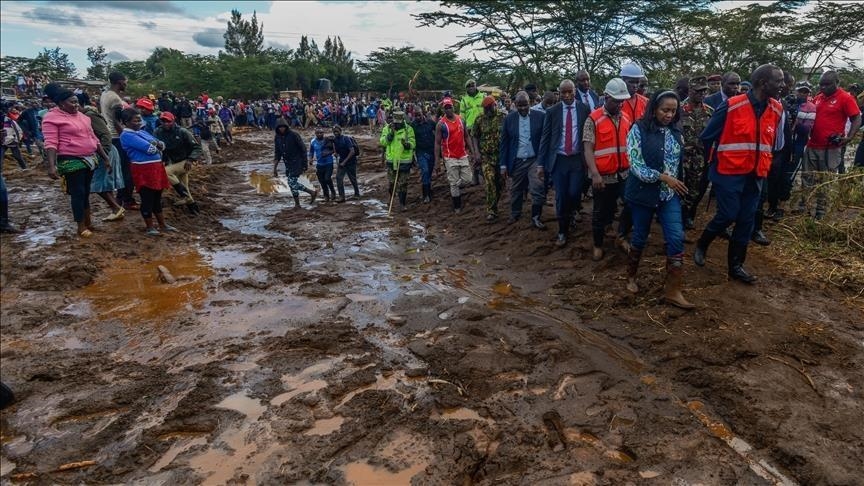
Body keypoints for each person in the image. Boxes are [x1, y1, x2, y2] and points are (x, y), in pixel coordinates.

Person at [695, 64, 786, 284]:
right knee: (728, 215)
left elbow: (771, 141)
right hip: (728, 173)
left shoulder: (776, 109)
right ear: (763, 83)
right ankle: (703, 243)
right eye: (779, 81)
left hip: (756, 175)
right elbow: (707, 137)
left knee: (746, 220)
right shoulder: (732, 106)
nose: (782, 85)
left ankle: (735, 266)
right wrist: (713, 163)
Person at [623, 90, 694, 308]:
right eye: (665, 110)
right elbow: (636, 165)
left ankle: (673, 290)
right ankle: (631, 276)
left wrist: (676, 182)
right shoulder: (638, 129)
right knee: (640, 236)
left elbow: (678, 163)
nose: (669, 115)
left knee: (676, 237)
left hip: (668, 195)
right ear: (654, 109)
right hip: (643, 194)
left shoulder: (676, 132)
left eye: (673, 111)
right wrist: (663, 177)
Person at [42, 83, 109, 238]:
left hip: (89, 158)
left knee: (85, 192)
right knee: (78, 192)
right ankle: (80, 226)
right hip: (70, 159)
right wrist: (51, 166)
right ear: (61, 103)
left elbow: (94, 138)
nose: (76, 105)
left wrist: (105, 158)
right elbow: (51, 142)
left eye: (77, 102)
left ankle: (88, 222)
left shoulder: (83, 117)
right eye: (72, 102)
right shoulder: (51, 118)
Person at [799, 70, 861, 219]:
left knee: (825, 180)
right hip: (812, 145)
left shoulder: (845, 98)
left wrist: (849, 137)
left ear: (837, 83)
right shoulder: (818, 97)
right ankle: (804, 208)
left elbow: (856, 118)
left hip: (830, 149)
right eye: (821, 84)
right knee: (807, 178)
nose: (823, 87)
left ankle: (821, 212)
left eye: (827, 84)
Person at [583, 78, 633, 261]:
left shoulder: (626, 118)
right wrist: (595, 174)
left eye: (622, 101)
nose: (619, 105)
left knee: (631, 205)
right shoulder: (593, 119)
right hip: (603, 176)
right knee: (600, 212)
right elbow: (588, 149)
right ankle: (598, 244)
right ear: (606, 97)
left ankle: (621, 236)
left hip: (624, 174)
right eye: (616, 101)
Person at [537, 79, 590, 247]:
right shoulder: (552, 111)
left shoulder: (584, 109)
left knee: (574, 193)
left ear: (574, 91)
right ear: (558, 93)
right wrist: (540, 164)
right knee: (561, 196)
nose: (567, 96)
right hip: (559, 160)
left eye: (570, 92)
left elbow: (588, 135)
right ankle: (562, 231)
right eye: (563, 92)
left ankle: (572, 211)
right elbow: (545, 138)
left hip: (577, 160)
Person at [119, 108, 176, 236]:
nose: (139, 122)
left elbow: (161, 145)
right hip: (143, 169)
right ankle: (150, 227)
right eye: (136, 120)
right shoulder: (126, 135)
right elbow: (150, 149)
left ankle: (162, 224)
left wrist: (156, 144)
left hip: (155, 167)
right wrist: (156, 144)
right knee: (147, 197)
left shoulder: (141, 132)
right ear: (126, 122)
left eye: (140, 120)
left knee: (157, 196)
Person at [500, 91, 546, 226]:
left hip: (534, 159)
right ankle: (515, 213)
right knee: (516, 189)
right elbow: (504, 143)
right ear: (515, 105)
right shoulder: (509, 119)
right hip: (518, 160)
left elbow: (545, 140)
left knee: (537, 187)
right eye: (519, 105)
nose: (523, 108)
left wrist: (543, 160)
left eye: (525, 105)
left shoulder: (540, 116)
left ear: (530, 103)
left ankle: (536, 216)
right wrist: (503, 165)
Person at [78, 92, 125, 222]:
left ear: (81, 104)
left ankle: (116, 208)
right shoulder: (85, 115)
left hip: (104, 151)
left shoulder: (90, 116)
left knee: (96, 183)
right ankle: (116, 209)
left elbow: (105, 135)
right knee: (104, 183)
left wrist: (104, 154)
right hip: (102, 151)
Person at [679, 76, 714, 230]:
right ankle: (675, 217)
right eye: (698, 91)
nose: (702, 94)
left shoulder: (709, 112)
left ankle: (688, 215)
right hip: (680, 158)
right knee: (678, 188)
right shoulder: (679, 110)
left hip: (699, 159)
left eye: (704, 91)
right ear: (690, 90)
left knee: (694, 190)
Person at [101, 71, 138, 210]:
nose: (126, 84)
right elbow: (116, 121)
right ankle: (127, 200)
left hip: (110, 136)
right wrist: (126, 137)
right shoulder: (115, 99)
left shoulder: (105, 94)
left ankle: (121, 198)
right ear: (120, 82)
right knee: (127, 170)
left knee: (122, 169)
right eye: (125, 82)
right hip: (117, 136)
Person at [155, 111, 202, 212]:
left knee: (165, 172)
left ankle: (183, 195)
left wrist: (190, 159)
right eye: (163, 121)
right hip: (173, 161)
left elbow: (197, 147)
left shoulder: (182, 131)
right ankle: (192, 207)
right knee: (184, 185)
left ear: (173, 121)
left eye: (168, 121)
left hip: (187, 161)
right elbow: (158, 147)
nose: (165, 123)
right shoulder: (158, 132)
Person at [435, 98, 475, 214]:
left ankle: (455, 184)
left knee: (468, 179)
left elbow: (466, 136)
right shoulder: (441, 124)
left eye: (450, 107)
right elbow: (437, 143)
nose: (448, 109)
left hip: (462, 155)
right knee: (454, 183)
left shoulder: (461, 120)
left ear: (453, 107)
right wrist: (437, 161)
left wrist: (472, 151)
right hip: (449, 157)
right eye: (446, 108)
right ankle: (457, 207)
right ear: (443, 109)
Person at [471, 96, 504, 221]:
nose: (486, 111)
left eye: (488, 108)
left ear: (494, 105)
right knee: (490, 181)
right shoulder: (479, 119)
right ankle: (491, 210)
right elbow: (474, 136)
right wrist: (476, 153)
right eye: (485, 109)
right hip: (486, 157)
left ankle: (494, 203)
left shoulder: (503, 117)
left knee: (500, 183)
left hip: (501, 156)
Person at [273, 118, 317, 208]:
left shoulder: (294, 135)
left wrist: (305, 164)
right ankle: (298, 203)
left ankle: (310, 193)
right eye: (280, 127)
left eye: (283, 127)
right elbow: (277, 153)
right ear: (277, 128)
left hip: (297, 162)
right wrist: (275, 168)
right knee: (291, 183)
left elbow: (303, 149)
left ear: (286, 127)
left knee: (291, 182)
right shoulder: (277, 137)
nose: (282, 129)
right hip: (287, 163)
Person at [380, 110, 415, 211]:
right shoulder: (387, 129)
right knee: (392, 182)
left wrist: (407, 145)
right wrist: (390, 135)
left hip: (404, 161)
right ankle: (391, 197)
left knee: (403, 183)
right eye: (395, 123)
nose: (397, 125)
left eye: (399, 123)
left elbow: (413, 143)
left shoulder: (408, 129)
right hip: (391, 161)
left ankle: (402, 203)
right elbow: (383, 142)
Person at [461, 79, 486, 185]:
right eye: (469, 86)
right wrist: (463, 131)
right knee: (474, 153)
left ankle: (485, 174)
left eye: (473, 86)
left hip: (483, 128)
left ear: (476, 86)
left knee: (484, 151)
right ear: (466, 88)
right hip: (470, 130)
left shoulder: (483, 96)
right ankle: (475, 177)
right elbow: (462, 117)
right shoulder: (464, 100)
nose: (471, 88)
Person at [412, 105, 436, 203]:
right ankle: (425, 194)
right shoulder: (413, 125)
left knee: (429, 172)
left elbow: (438, 130)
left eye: (419, 115)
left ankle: (428, 189)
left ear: (423, 113)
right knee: (425, 171)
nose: (418, 117)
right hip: (420, 152)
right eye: (416, 115)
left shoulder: (430, 123)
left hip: (431, 151)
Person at [332, 125, 360, 202]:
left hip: (351, 161)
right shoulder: (335, 140)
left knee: (352, 178)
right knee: (338, 178)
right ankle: (341, 197)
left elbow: (352, 151)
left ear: (340, 131)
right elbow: (337, 151)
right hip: (342, 161)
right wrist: (336, 154)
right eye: (334, 132)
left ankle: (357, 194)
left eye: (337, 131)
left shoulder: (346, 139)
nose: (336, 133)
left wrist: (344, 162)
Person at [309, 127, 336, 202]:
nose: (319, 134)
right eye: (318, 133)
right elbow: (311, 151)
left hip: (329, 162)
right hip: (319, 164)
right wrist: (310, 159)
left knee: (327, 178)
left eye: (321, 133)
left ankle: (333, 191)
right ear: (315, 134)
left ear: (323, 133)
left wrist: (328, 153)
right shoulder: (313, 141)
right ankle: (326, 195)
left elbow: (334, 150)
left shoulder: (327, 140)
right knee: (322, 181)